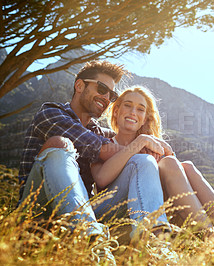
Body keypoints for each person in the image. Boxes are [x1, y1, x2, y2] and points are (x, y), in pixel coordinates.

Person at [17, 61, 170, 265]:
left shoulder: (98, 131)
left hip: (87, 211)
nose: (106, 98)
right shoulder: (51, 114)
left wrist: (149, 144)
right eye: (101, 88)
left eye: (111, 95)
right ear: (79, 86)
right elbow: (103, 149)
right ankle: (92, 243)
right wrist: (140, 143)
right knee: (59, 144)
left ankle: (154, 244)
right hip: (38, 210)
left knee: (141, 161)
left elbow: (120, 139)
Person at [92, 86, 214, 236]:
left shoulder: (150, 147)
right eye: (127, 105)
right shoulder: (103, 142)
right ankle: (210, 237)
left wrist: (160, 151)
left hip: (150, 205)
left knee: (186, 166)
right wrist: (139, 143)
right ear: (116, 111)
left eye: (140, 109)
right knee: (147, 161)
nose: (133, 112)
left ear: (145, 119)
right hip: (111, 208)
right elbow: (101, 179)